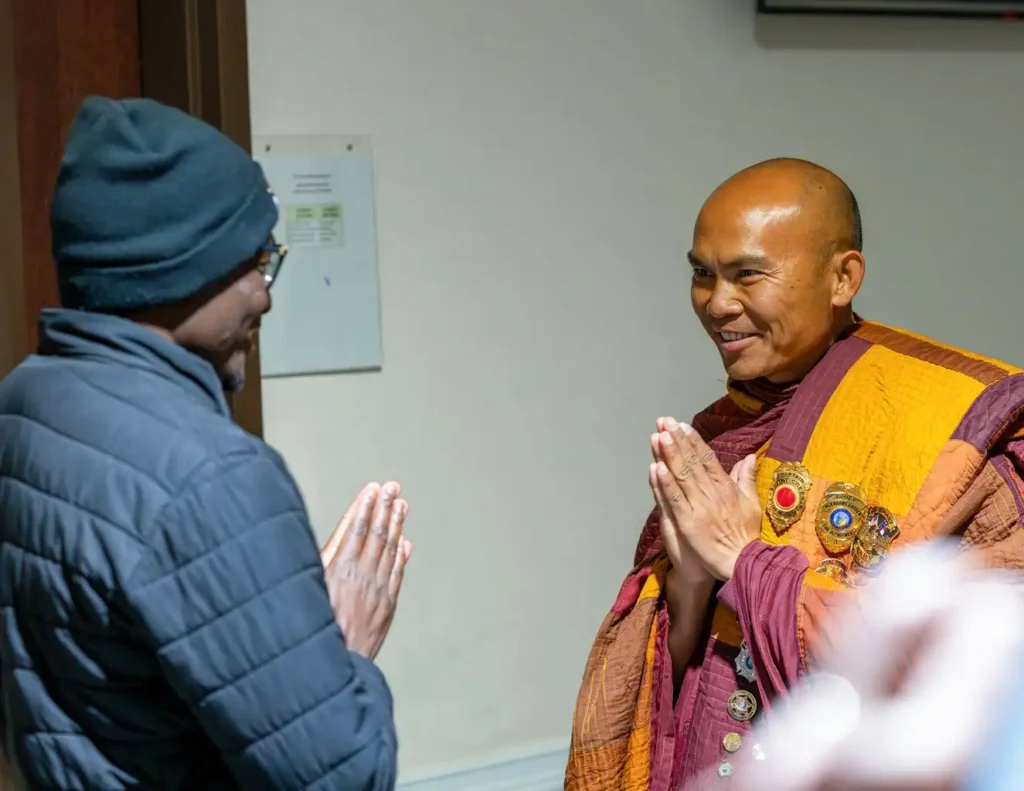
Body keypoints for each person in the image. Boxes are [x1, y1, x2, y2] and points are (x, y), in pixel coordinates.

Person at [563, 158, 1024, 791]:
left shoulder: (963, 424)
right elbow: (658, 681)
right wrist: (691, 583)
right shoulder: (726, 431)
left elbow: (976, 680)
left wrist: (745, 559)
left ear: (843, 277)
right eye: (702, 274)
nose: (718, 304)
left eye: (748, 275)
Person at [0, 96, 411, 790]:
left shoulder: (22, 405)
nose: (265, 295)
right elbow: (344, 776)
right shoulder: (214, 476)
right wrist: (343, 655)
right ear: (177, 267)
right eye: (254, 260)